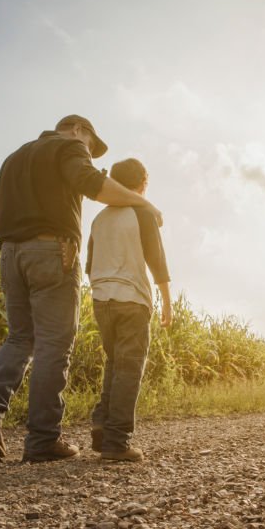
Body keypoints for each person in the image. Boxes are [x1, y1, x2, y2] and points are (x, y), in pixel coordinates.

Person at [0, 115, 162, 463]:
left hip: (10, 254)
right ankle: (42, 439)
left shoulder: (16, 156)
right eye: (90, 145)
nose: (88, 152)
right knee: (54, 345)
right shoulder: (70, 145)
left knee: (20, 338)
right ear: (78, 130)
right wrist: (143, 202)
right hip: (50, 251)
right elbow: (91, 183)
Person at [85, 158, 172, 462]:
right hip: (132, 300)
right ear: (143, 184)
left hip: (101, 299)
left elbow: (89, 265)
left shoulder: (99, 219)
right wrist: (166, 301)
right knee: (129, 367)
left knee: (114, 362)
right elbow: (156, 259)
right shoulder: (142, 212)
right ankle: (117, 441)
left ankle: (101, 419)